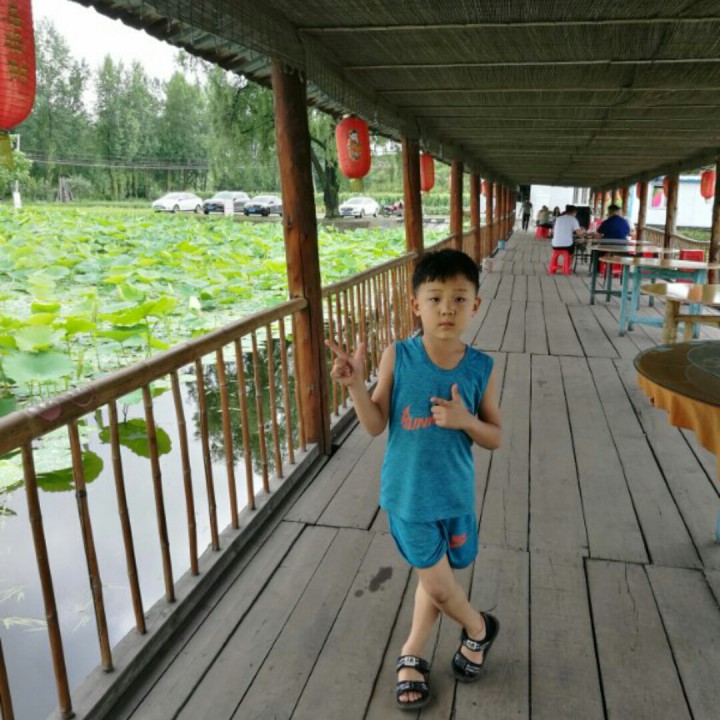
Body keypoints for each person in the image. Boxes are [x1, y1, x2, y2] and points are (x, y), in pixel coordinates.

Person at [327, 249, 502, 711]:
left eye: (459, 298)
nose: (447, 308)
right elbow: (375, 424)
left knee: (435, 574)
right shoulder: (398, 356)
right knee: (441, 585)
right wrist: (356, 387)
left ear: (475, 306)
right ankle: (478, 629)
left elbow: (495, 436)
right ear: (415, 305)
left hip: (455, 495)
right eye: (435, 298)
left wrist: (466, 420)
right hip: (407, 497)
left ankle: (415, 654)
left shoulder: (480, 367)